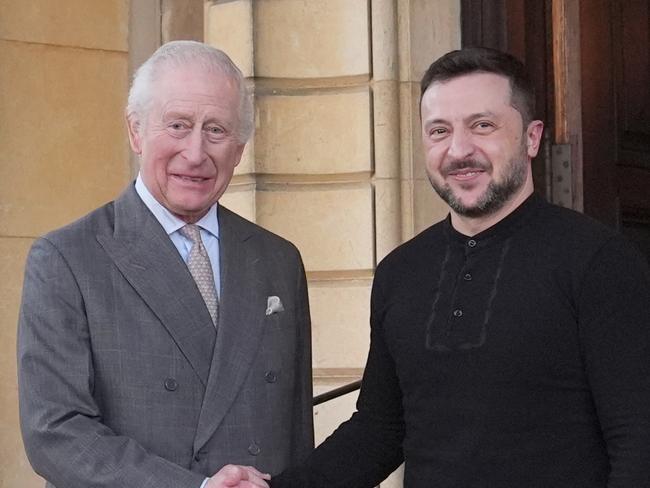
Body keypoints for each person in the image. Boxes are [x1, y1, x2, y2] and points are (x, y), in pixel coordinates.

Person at [269, 47, 650, 487]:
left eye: (482, 126)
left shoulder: (599, 260)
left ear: (532, 137)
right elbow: (381, 429)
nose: (459, 150)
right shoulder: (400, 272)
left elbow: (638, 436)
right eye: (439, 131)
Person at [17, 41, 313, 488]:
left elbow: (295, 431)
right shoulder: (67, 260)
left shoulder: (278, 260)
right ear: (136, 132)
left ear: (239, 149)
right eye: (177, 125)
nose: (195, 153)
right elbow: (55, 433)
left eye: (216, 130)